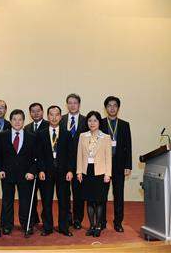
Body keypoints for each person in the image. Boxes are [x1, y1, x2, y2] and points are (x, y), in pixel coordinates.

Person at [0, 109, 38, 235]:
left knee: (25, 201)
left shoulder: (31, 137)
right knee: (7, 201)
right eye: (14, 119)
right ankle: (7, 225)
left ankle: (26, 224)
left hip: (25, 175)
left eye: (20, 119)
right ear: (10, 121)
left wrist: (32, 172)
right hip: (7, 174)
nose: (17, 122)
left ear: (24, 121)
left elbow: (36, 157)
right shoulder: (2, 135)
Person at [36, 105, 74, 237]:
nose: (54, 117)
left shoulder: (67, 133)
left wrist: (70, 170)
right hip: (46, 172)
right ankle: (47, 227)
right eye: (51, 115)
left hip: (63, 172)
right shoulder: (41, 134)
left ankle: (64, 227)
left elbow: (71, 154)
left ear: (60, 116)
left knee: (64, 201)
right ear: (47, 116)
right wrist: (41, 169)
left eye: (56, 114)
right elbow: (39, 154)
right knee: (46, 201)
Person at [76, 110, 112, 237]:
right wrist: (79, 171)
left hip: (101, 172)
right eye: (90, 120)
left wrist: (108, 174)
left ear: (99, 122)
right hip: (87, 172)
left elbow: (108, 157)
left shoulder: (106, 137)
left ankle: (98, 226)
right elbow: (79, 155)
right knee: (90, 200)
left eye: (95, 120)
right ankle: (91, 225)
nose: (92, 123)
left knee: (99, 201)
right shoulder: (82, 136)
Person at [100, 96, 132, 233]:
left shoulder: (124, 125)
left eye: (115, 105)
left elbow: (128, 146)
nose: (112, 108)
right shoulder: (100, 123)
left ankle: (118, 222)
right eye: (109, 105)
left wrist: (128, 165)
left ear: (118, 108)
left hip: (119, 165)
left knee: (119, 195)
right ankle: (101, 222)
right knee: (102, 195)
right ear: (105, 108)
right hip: (103, 165)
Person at [60, 93, 87, 229]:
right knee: (65, 193)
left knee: (78, 193)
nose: (72, 105)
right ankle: (67, 217)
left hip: (80, 162)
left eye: (75, 103)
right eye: (70, 103)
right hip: (63, 163)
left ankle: (77, 219)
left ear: (79, 104)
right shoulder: (61, 120)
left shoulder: (86, 120)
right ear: (67, 105)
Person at [23, 102, 48, 225]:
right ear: (30, 113)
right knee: (31, 197)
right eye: (33, 111)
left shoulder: (49, 125)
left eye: (38, 111)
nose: (36, 113)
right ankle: (33, 219)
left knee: (45, 197)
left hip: (44, 167)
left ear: (42, 112)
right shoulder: (26, 128)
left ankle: (46, 220)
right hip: (31, 167)